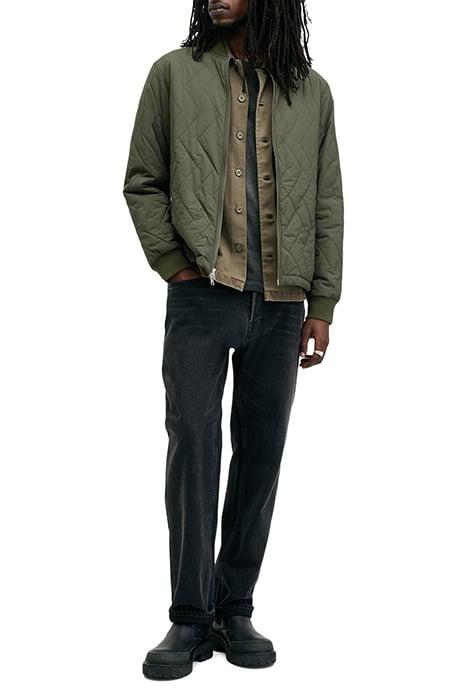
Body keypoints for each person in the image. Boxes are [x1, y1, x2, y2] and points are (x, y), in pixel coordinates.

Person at [123, 0, 343, 680]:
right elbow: (143, 181)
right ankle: (189, 616)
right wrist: (174, 263)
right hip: (201, 293)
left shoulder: (311, 91)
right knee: (193, 444)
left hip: (281, 303)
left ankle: (234, 607)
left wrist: (322, 302)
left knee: (261, 453)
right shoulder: (172, 73)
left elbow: (328, 201)